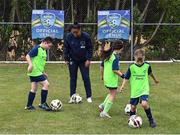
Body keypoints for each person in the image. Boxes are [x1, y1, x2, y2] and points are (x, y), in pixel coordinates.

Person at [119, 48, 159, 128]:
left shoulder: (147, 65)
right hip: (135, 90)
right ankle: (132, 120)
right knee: (133, 107)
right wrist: (122, 86)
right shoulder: (132, 67)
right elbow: (126, 77)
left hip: (144, 89)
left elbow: (150, 73)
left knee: (144, 104)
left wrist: (155, 80)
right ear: (135, 57)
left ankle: (151, 120)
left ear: (144, 57)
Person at [64, 22, 93, 103]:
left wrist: (88, 59)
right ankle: (72, 96)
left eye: (76, 32)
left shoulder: (86, 36)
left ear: (80, 30)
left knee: (86, 77)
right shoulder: (69, 36)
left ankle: (89, 96)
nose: (75, 34)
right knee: (73, 78)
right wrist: (66, 58)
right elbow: (66, 48)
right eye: (73, 32)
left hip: (84, 61)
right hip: (73, 60)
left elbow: (90, 48)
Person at [25, 37, 53, 111]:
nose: (49, 48)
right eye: (49, 46)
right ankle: (42, 104)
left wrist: (43, 72)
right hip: (35, 72)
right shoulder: (37, 48)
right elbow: (28, 56)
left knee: (34, 88)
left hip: (37, 72)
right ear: (45, 43)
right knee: (46, 84)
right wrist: (30, 64)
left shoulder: (44, 50)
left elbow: (40, 63)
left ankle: (29, 106)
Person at [99, 41, 124, 118]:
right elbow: (115, 70)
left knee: (111, 92)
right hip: (111, 79)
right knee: (113, 94)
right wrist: (123, 75)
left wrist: (102, 76)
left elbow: (101, 67)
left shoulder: (108, 55)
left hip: (106, 78)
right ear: (120, 49)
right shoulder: (115, 57)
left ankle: (102, 106)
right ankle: (104, 112)